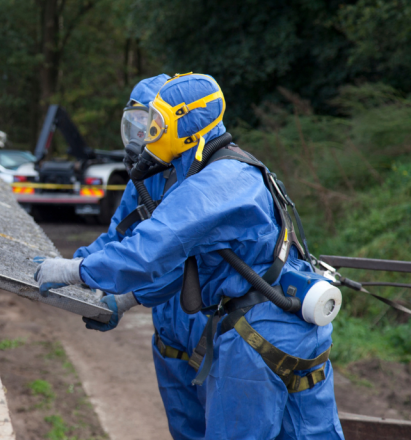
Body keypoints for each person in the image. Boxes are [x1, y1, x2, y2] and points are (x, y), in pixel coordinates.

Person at [34, 73, 344, 440]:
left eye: (155, 125)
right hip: (290, 330)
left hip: (254, 339)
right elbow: (129, 237)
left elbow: (151, 254)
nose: (147, 136)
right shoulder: (222, 169)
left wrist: (75, 270)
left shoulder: (214, 182)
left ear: (183, 127)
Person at [74, 74, 209, 440]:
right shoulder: (144, 179)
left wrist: (126, 298)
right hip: (169, 336)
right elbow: (118, 236)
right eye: (134, 125)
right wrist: (73, 267)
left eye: (149, 126)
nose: (140, 138)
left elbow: (184, 262)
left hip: (210, 330)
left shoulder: (204, 180)